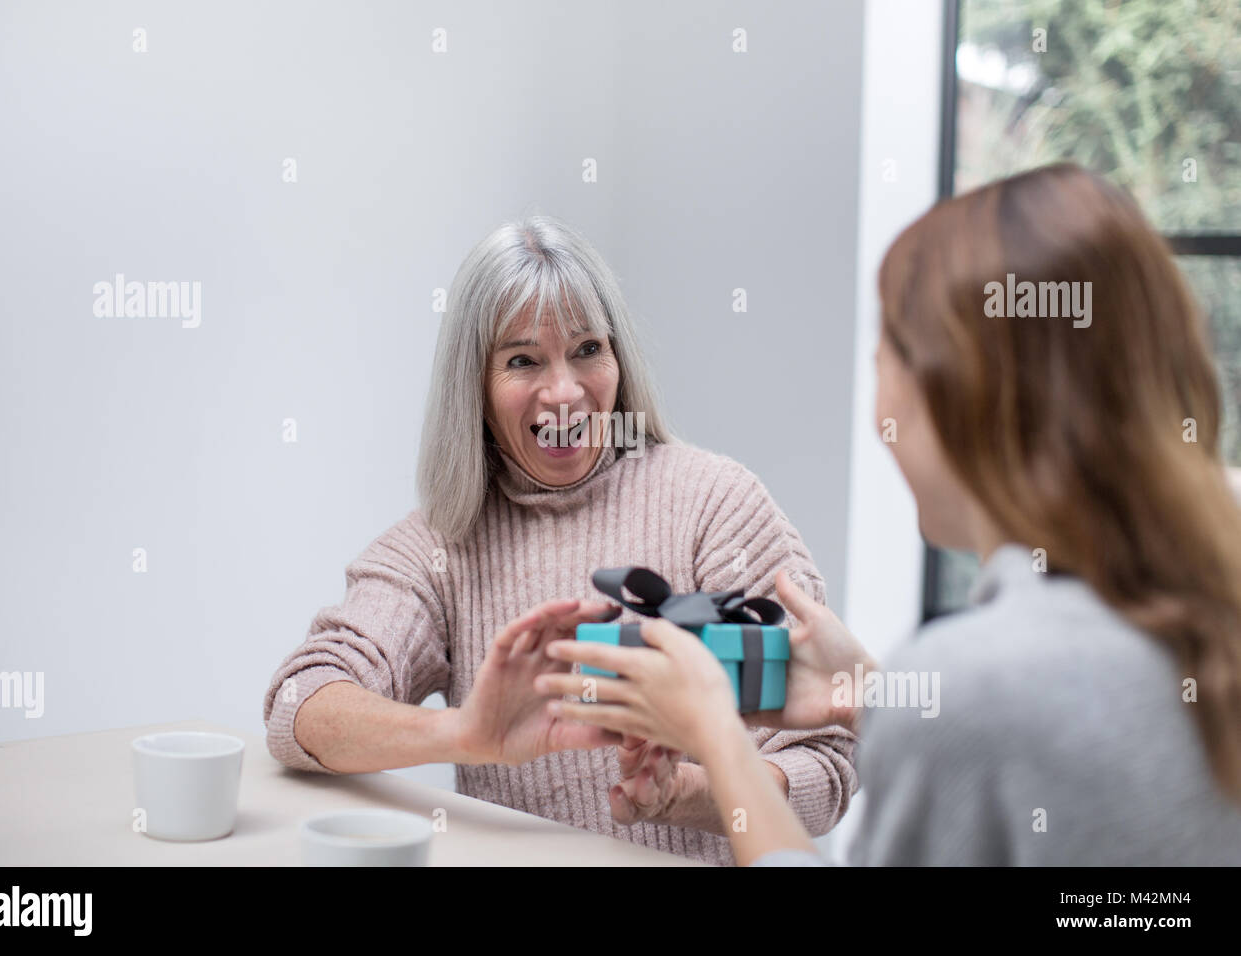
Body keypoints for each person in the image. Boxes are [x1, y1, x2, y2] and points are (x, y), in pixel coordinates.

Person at [539, 164, 1241, 865]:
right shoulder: (1199, 622)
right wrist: (871, 696)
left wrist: (718, 735)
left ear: (955, 393)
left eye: (886, 355)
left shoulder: (982, 689)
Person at [262, 215, 857, 866]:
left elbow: (822, 769)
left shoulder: (714, 503)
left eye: (586, 349)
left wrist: (680, 792)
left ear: (617, 357)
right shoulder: (443, 546)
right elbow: (296, 707)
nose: (566, 391)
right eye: (523, 360)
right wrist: (460, 733)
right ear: (476, 390)